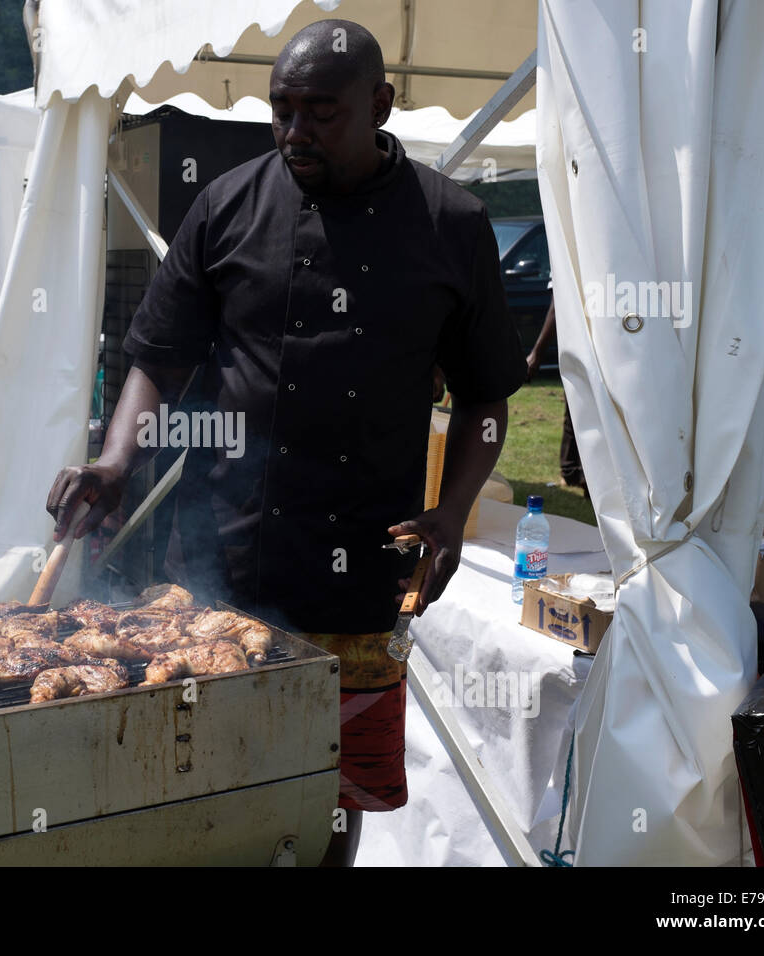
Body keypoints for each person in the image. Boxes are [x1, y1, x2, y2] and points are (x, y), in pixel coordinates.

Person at [46, 20, 525, 866]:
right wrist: (117, 461)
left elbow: (488, 396)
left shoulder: (452, 222)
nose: (296, 131)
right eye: (283, 110)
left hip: (366, 558)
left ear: (381, 103)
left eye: (321, 112)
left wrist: (451, 512)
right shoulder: (228, 204)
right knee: (206, 775)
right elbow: (158, 355)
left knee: (335, 785)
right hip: (225, 557)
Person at [525, 280, 588, 498]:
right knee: (577, 409)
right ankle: (572, 472)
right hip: (581, 345)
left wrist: (537, 353)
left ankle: (580, 475)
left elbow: (556, 307)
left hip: (586, 346)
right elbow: (558, 305)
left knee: (581, 411)